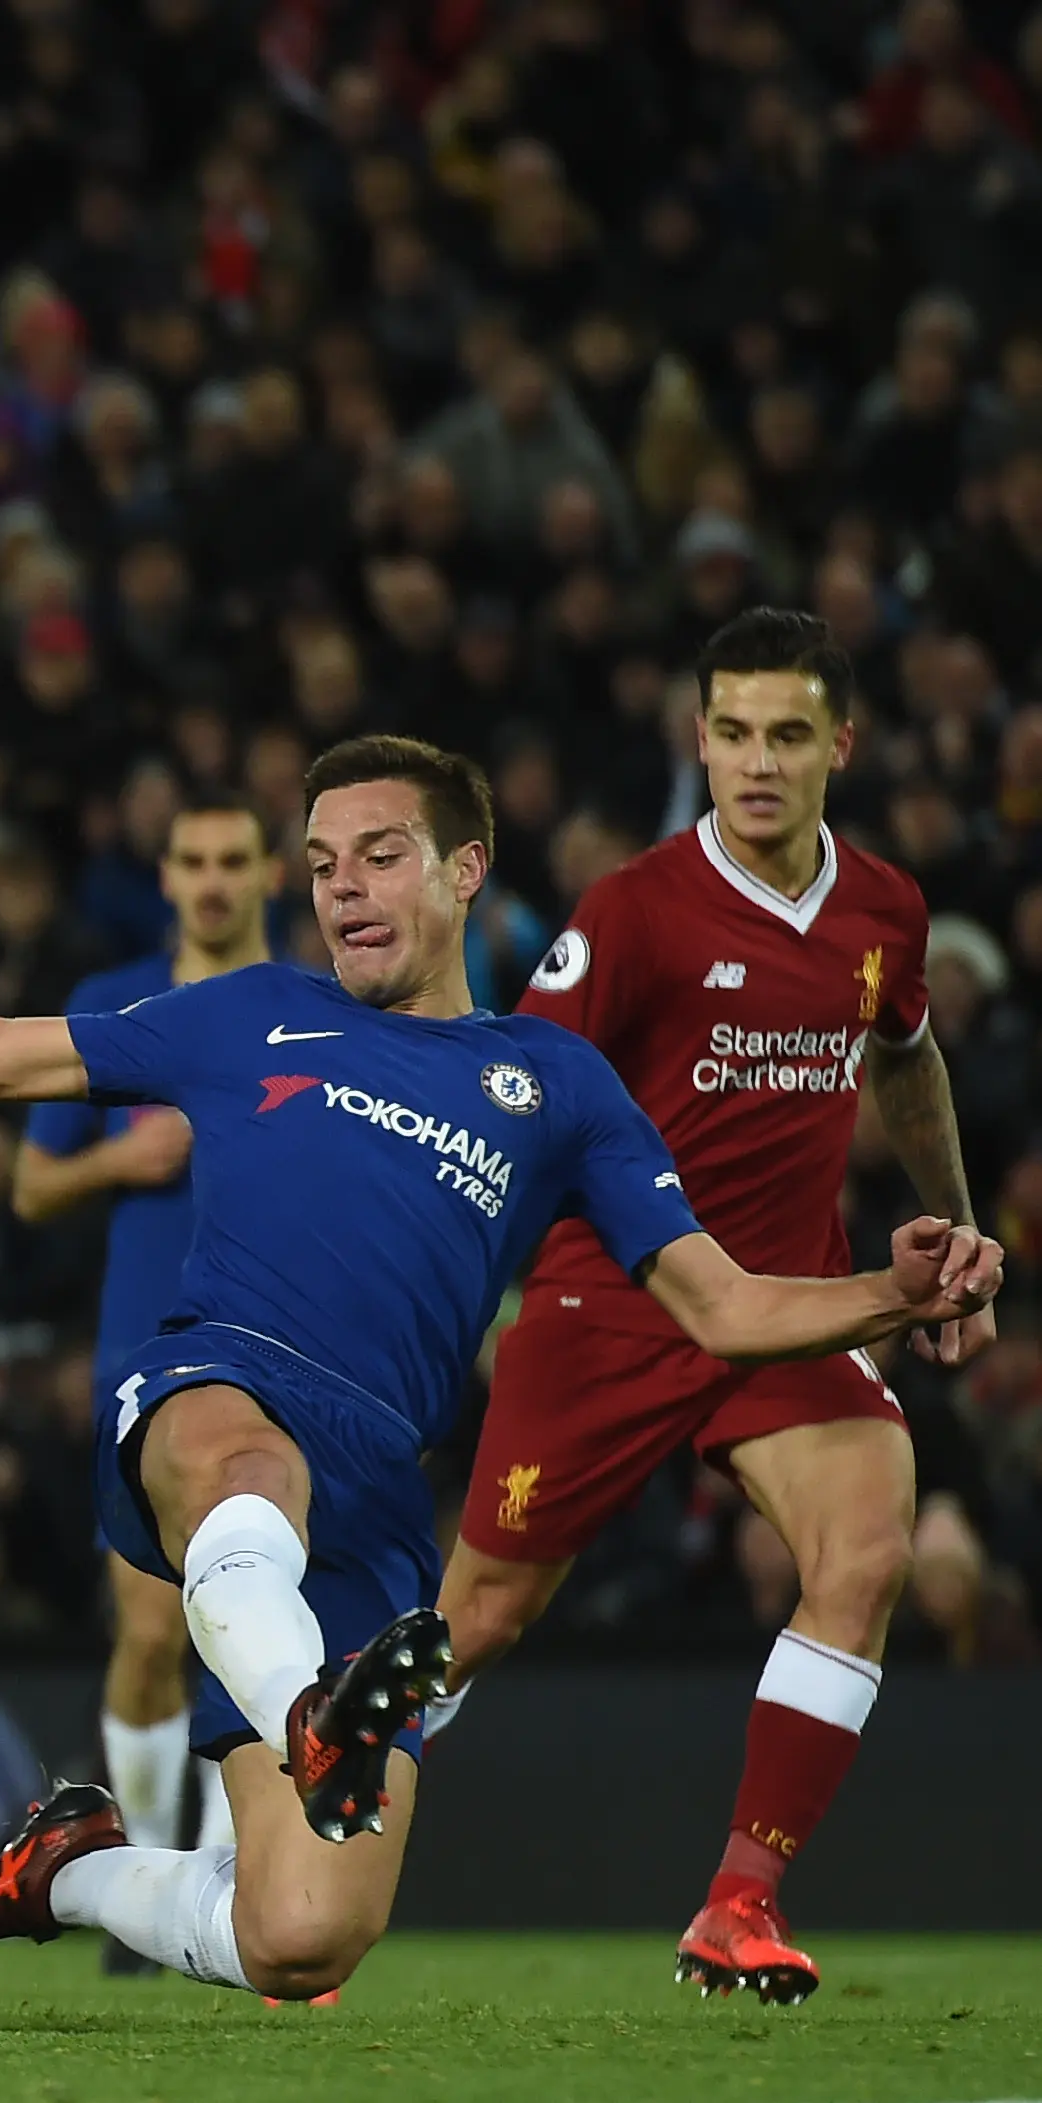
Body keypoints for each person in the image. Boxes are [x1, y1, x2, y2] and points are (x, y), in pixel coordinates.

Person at [0, 734, 999, 2003]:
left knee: (300, 1934)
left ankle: (66, 1866)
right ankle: (306, 1709)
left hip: (373, 1494)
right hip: (216, 1381)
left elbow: (721, 1304)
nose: (343, 887)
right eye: (320, 863)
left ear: (465, 869)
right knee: (240, 1461)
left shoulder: (557, 1086)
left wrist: (888, 1286)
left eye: (379, 854)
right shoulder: (248, 1009)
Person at [436, 609, 990, 2004]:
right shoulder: (632, 909)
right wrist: (456, 1290)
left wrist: (958, 1222)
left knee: (866, 1549)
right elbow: (520, 1101)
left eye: (787, 735)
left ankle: (739, 1901)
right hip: (612, 1298)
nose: (756, 762)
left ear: (839, 747)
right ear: (698, 739)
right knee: (477, 1622)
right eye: (732, 733)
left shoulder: (882, 910)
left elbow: (905, 1058)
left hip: (793, 1300)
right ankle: (286, 1848)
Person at [13, 794, 274, 1974]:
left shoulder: (315, 1009)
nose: (212, 880)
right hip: (140, 1348)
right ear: (164, 876)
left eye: (232, 860)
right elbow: (29, 1191)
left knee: (251, 1623)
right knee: (146, 1629)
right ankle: (156, 1856)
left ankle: (232, 1878)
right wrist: (126, 1153)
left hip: (278, 1340)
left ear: (268, 871)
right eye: (192, 860)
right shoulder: (110, 1004)